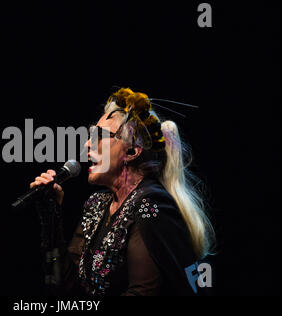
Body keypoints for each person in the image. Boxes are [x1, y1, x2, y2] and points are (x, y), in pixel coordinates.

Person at [31, 87, 215, 296]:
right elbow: (64, 286)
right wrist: (51, 219)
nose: (88, 143)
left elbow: (143, 292)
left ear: (131, 151)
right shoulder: (96, 205)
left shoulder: (151, 205)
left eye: (99, 135)